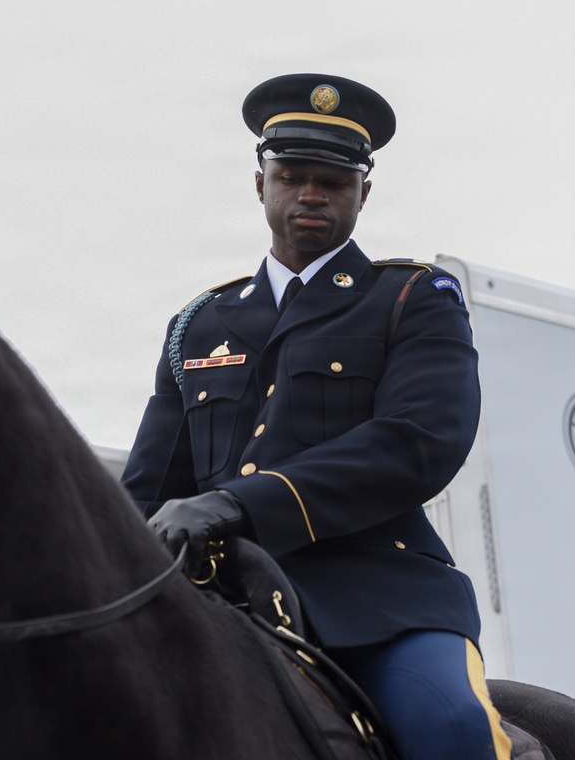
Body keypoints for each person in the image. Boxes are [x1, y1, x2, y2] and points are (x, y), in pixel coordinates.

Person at [122, 73, 512, 760]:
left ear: (364, 191)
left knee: (450, 726)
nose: (310, 195)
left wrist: (233, 504)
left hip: (378, 600)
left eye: (331, 181)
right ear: (260, 183)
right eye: (292, 175)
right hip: (222, 601)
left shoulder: (412, 299)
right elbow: (148, 490)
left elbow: (420, 442)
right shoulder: (197, 323)